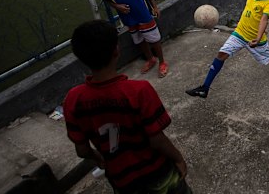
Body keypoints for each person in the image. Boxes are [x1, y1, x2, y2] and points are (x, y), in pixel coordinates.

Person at [63, 20, 190, 194]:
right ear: (116, 50)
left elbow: (82, 150)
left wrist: (99, 158)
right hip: (156, 172)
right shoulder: (139, 91)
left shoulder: (73, 99)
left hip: (120, 179)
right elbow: (156, 139)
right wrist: (178, 158)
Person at [185, 0, 269, 98]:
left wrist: (258, 38)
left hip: (254, 39)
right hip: (239, 34)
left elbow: (264, 20)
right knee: (221, 55)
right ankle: (204, 88)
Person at [100, 0, 169, 77]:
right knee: (139, 40)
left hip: (142, 12)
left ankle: (162, 61)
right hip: (128, 17)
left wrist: (155, 6)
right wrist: (117, 6)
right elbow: (107, 0)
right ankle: (150, 59)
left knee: (154, 39)